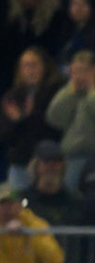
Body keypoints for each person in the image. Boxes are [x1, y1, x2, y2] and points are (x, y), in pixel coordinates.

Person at [46, 48, 95, 170]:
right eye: (75, 71)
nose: (79, 76)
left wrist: (92, 91)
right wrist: (69, 94)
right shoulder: (69, 91)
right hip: (71, 155)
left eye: (83, 70)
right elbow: (53, 117)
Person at [2, 47, 58, 193]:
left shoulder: (54, 92)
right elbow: (5, 135)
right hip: (20, 162)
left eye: (34, 65)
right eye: (25, 65)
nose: (30, 70)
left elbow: (50, 127)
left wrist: (26, 118)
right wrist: (17, 121)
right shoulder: (12, 97)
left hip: (46, 163)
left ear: (44, 67)